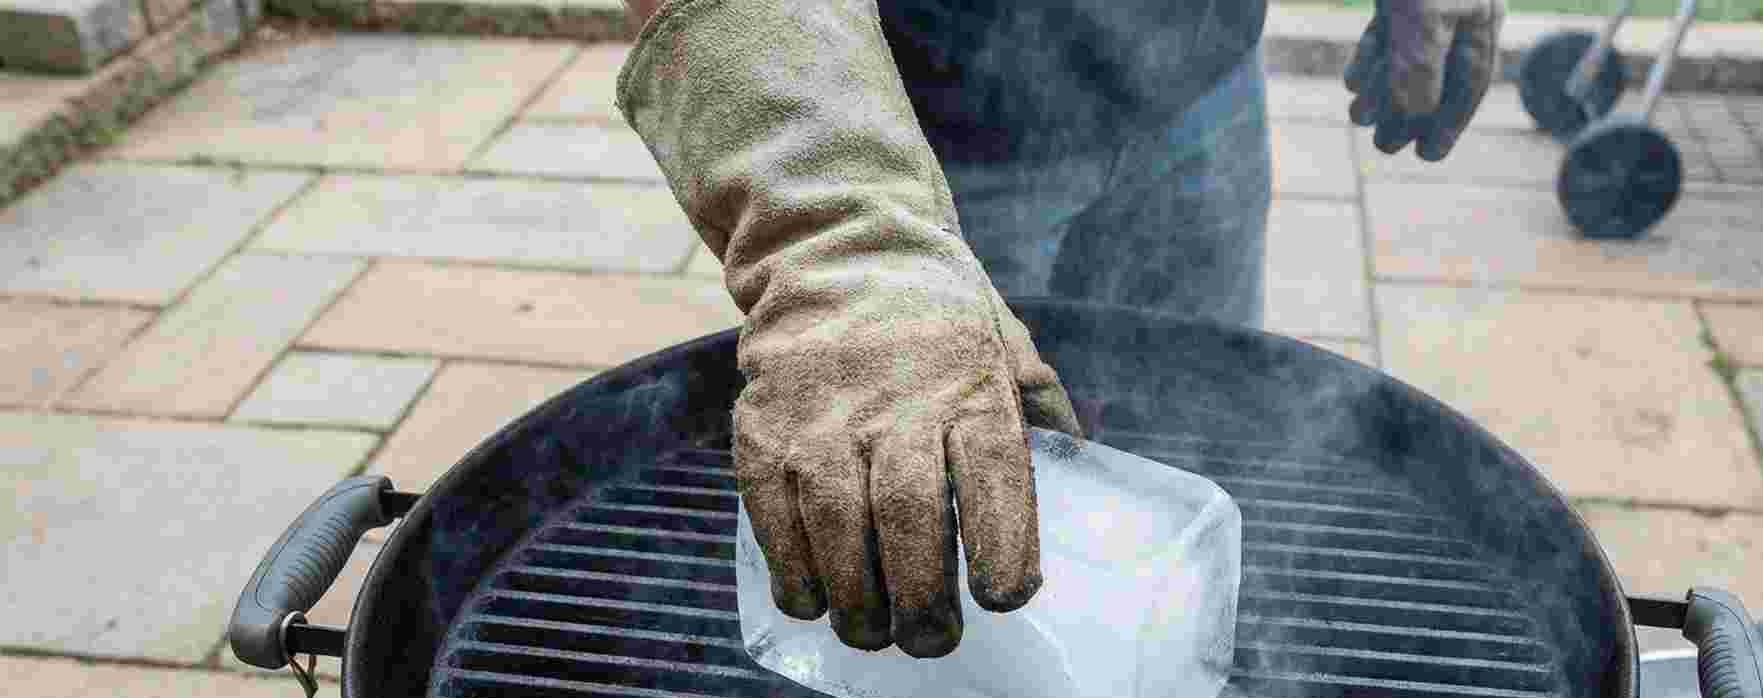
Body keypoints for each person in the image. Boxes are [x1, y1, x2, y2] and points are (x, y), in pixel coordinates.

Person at [616, 0, 1501, 659]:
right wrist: (840, 236)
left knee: (1192, 462)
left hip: (1198, 76)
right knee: (933, 533)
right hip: (916, 130)